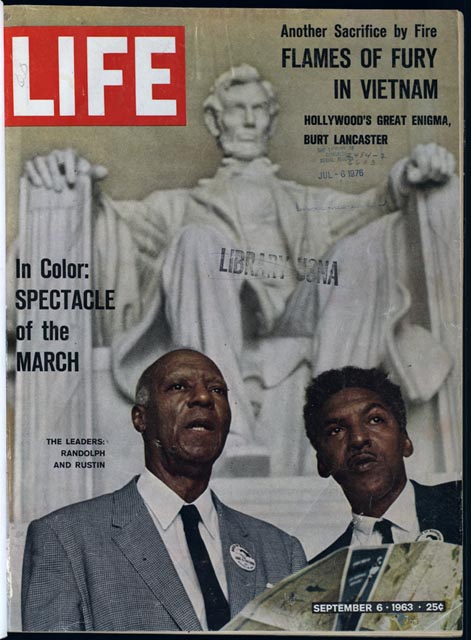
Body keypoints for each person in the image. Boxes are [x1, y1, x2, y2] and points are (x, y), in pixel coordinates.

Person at [22, 64, 456, 462]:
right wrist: (72, 180)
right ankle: (228, 431)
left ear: (270, 119)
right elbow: (111, 220)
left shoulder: (303, 202)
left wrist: (408, 175)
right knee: (196, 240)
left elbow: (374, 204)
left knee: (357, 251)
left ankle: (332, 431)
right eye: (236, 111)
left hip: (294, 316)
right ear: (215, 120)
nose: (248, 121)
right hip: (220, 314)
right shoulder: (180, 207)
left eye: (257, 110)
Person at [21, 349, 306, 631]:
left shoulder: (281, 551)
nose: (204, 398)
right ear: (140, 419)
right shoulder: (63, 538)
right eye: (179, 386)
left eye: (217, 390)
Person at [303, 366, 461, 563]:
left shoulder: (460, 503)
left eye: (375, 419)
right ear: (322, 463)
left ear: (406, 441)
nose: (358, 439)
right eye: (336, 430)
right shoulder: (316, 575)